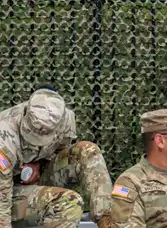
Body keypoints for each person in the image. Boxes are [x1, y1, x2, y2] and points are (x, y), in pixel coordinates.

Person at [0, 88, 114, 228]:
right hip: (7, 195)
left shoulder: (65, 121)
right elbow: (2, 200)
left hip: (34, 180)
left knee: (88, 151)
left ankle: (107, 222)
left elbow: (57, 152)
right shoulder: (4, 135)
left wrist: (39, 165)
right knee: (69, 202)